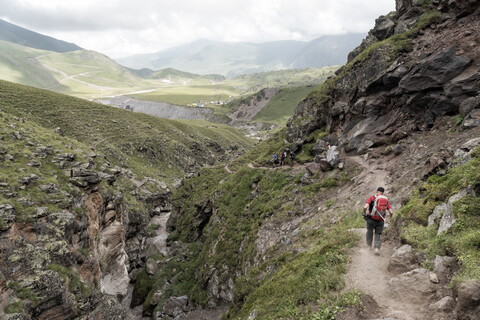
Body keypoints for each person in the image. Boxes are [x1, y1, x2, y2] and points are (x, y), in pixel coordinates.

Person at [363, 187, 394, 255]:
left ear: (377, 191)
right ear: (383, 192)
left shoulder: (372, 198)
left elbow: (365, 207)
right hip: (380, 220)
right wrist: (390, 217)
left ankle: (369, 247)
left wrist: (364, 213)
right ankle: (376, 249)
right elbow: (391, 212)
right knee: (378, 234)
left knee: (369, 232)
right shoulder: (385, 199)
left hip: (371, 218)